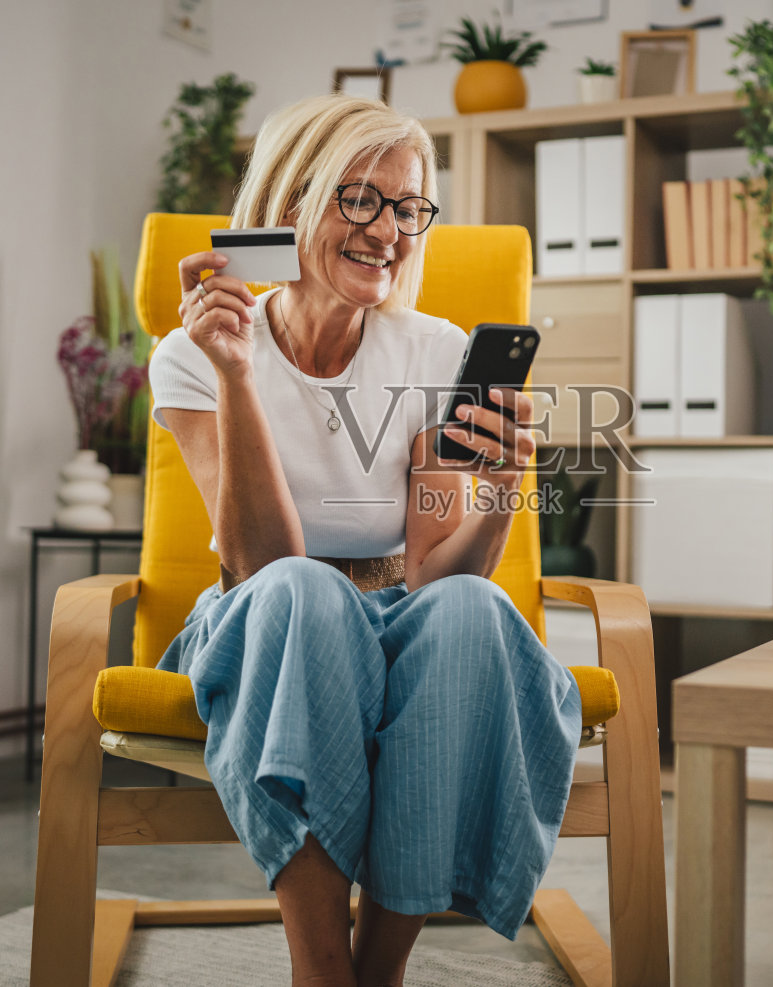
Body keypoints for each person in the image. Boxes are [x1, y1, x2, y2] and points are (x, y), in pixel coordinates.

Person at [147, 92, 582, 987]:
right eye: (361, 198)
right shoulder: (195, 353)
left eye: (408, 206)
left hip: (395, 615)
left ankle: (376, 972)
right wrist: (237, 376)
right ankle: (320, 969)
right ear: (294, 201)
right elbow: (260, 565)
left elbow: (430, 574)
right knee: (305, 591)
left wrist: (501, 495)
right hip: (259, 626)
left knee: (471, 605)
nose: (390, 229)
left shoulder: (432, 353)